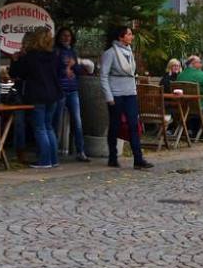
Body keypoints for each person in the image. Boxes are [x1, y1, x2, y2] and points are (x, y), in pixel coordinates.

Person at [100, 24, 152, 169]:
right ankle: (112, 156)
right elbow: (103, 76)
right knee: (115, 126)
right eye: (128, 34)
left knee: (134, 125)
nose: (132, 37)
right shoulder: (110, 53)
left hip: (130, 93)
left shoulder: (129, 52)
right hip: (116, 94)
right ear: (121, 36)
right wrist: (108, 96)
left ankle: (138, 158)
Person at [15, 27, 61, 169]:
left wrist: (16, 60)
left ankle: (44, 160)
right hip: (53, 93)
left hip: (37, 94)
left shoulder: (31, 56)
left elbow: (18, 73)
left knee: (40, 127)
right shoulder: (53, 55)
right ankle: (53, 159)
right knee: (48, 127)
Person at [54, 27, 88, 162]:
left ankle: (81, 151)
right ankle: (54, 150)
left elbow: (77, 69)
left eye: (68, 36)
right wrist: (67, 69)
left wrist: (77, 67)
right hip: (61, 89)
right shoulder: (56, 52)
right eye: (64, 36)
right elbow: (55, 70)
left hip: (73, 88)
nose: (66, 38)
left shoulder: (72, 52)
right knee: (56, 121)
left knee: (77, 121)